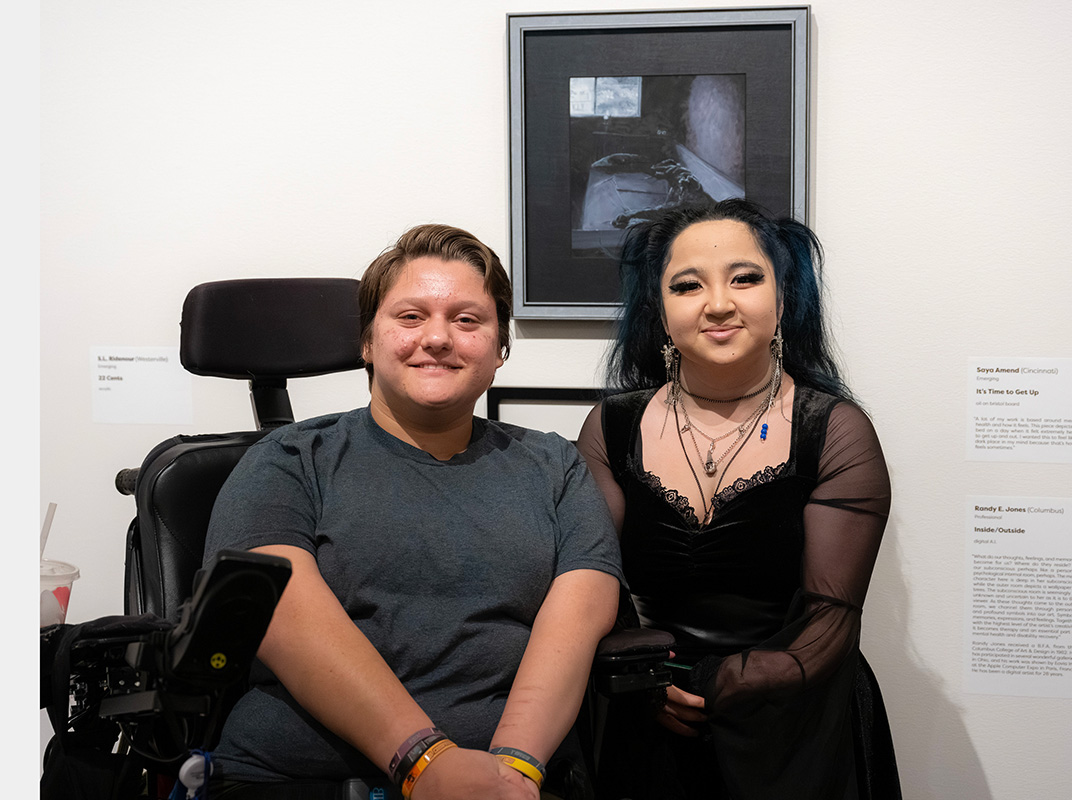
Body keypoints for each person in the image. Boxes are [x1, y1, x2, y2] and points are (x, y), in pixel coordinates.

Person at [201, 223, 623, 799]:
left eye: (468, 319)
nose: (439, 337)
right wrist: (424, 762)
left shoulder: (554, 466)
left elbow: (581, 614)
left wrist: (512, 770)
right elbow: (279, 612)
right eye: (410, 316)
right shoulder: (290, 461)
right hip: (302, 780)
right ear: (368, 342)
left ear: (500, 347)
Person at [576, 198, 902, 799]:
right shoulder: (611, 427)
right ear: (660, 309)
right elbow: (592, 587)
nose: (719, 303)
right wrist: (641, 684)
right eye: (687, 285)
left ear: (783, 299)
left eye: (745, 278)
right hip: (651, 721)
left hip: (796, 724)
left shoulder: (833, 429)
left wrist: (721, 683)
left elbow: (828, 621)